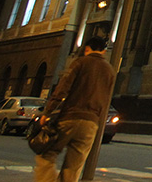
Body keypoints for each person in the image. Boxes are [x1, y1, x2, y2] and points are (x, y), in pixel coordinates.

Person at [34, 35, 116, 182]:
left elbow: (62, 89)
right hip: (90, 124)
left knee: (46, 154)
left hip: (70, 117)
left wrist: (47, 112)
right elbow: (105, 99)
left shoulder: (80, 63)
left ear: (87, 49)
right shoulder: (110, 70)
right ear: (104, 51)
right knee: (73, 167)